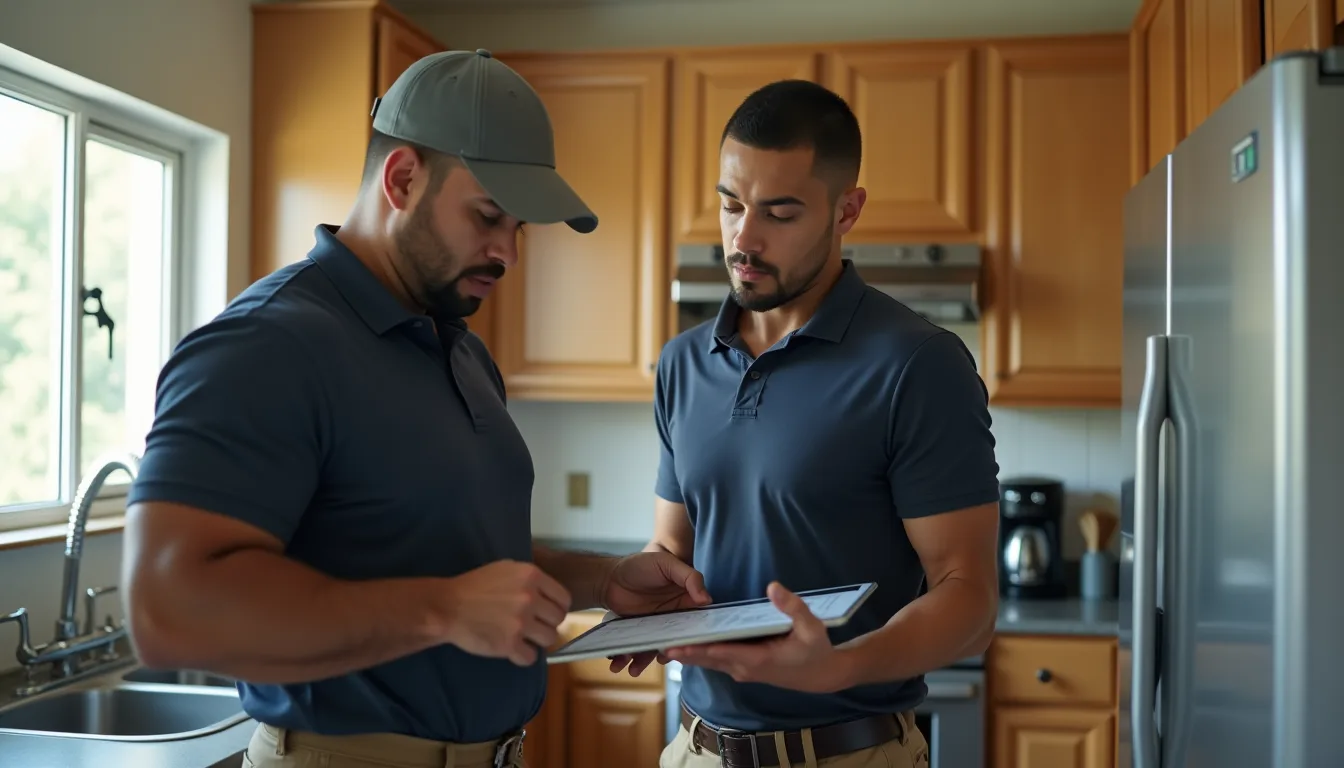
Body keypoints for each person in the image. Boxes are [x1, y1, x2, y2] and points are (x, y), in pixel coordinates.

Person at [120, 49, 710, 768]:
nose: (508, 253)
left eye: (519, 227)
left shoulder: (456, 348)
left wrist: (600, 581)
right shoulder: (267, 344)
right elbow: (166, 609)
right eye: (489, 216)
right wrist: (443, 611)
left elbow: (454, 555)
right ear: (402, 179)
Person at [619, 79, 1003, 768]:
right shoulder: (683, 363)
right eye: (730, 205)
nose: (744, 237)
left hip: (849, 755)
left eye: (780, 213)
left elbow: (969, 598)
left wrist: (843, 665)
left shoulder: (918, 364)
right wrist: (644, 599)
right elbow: (673, 549)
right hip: (695, 751)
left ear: (846, 210)